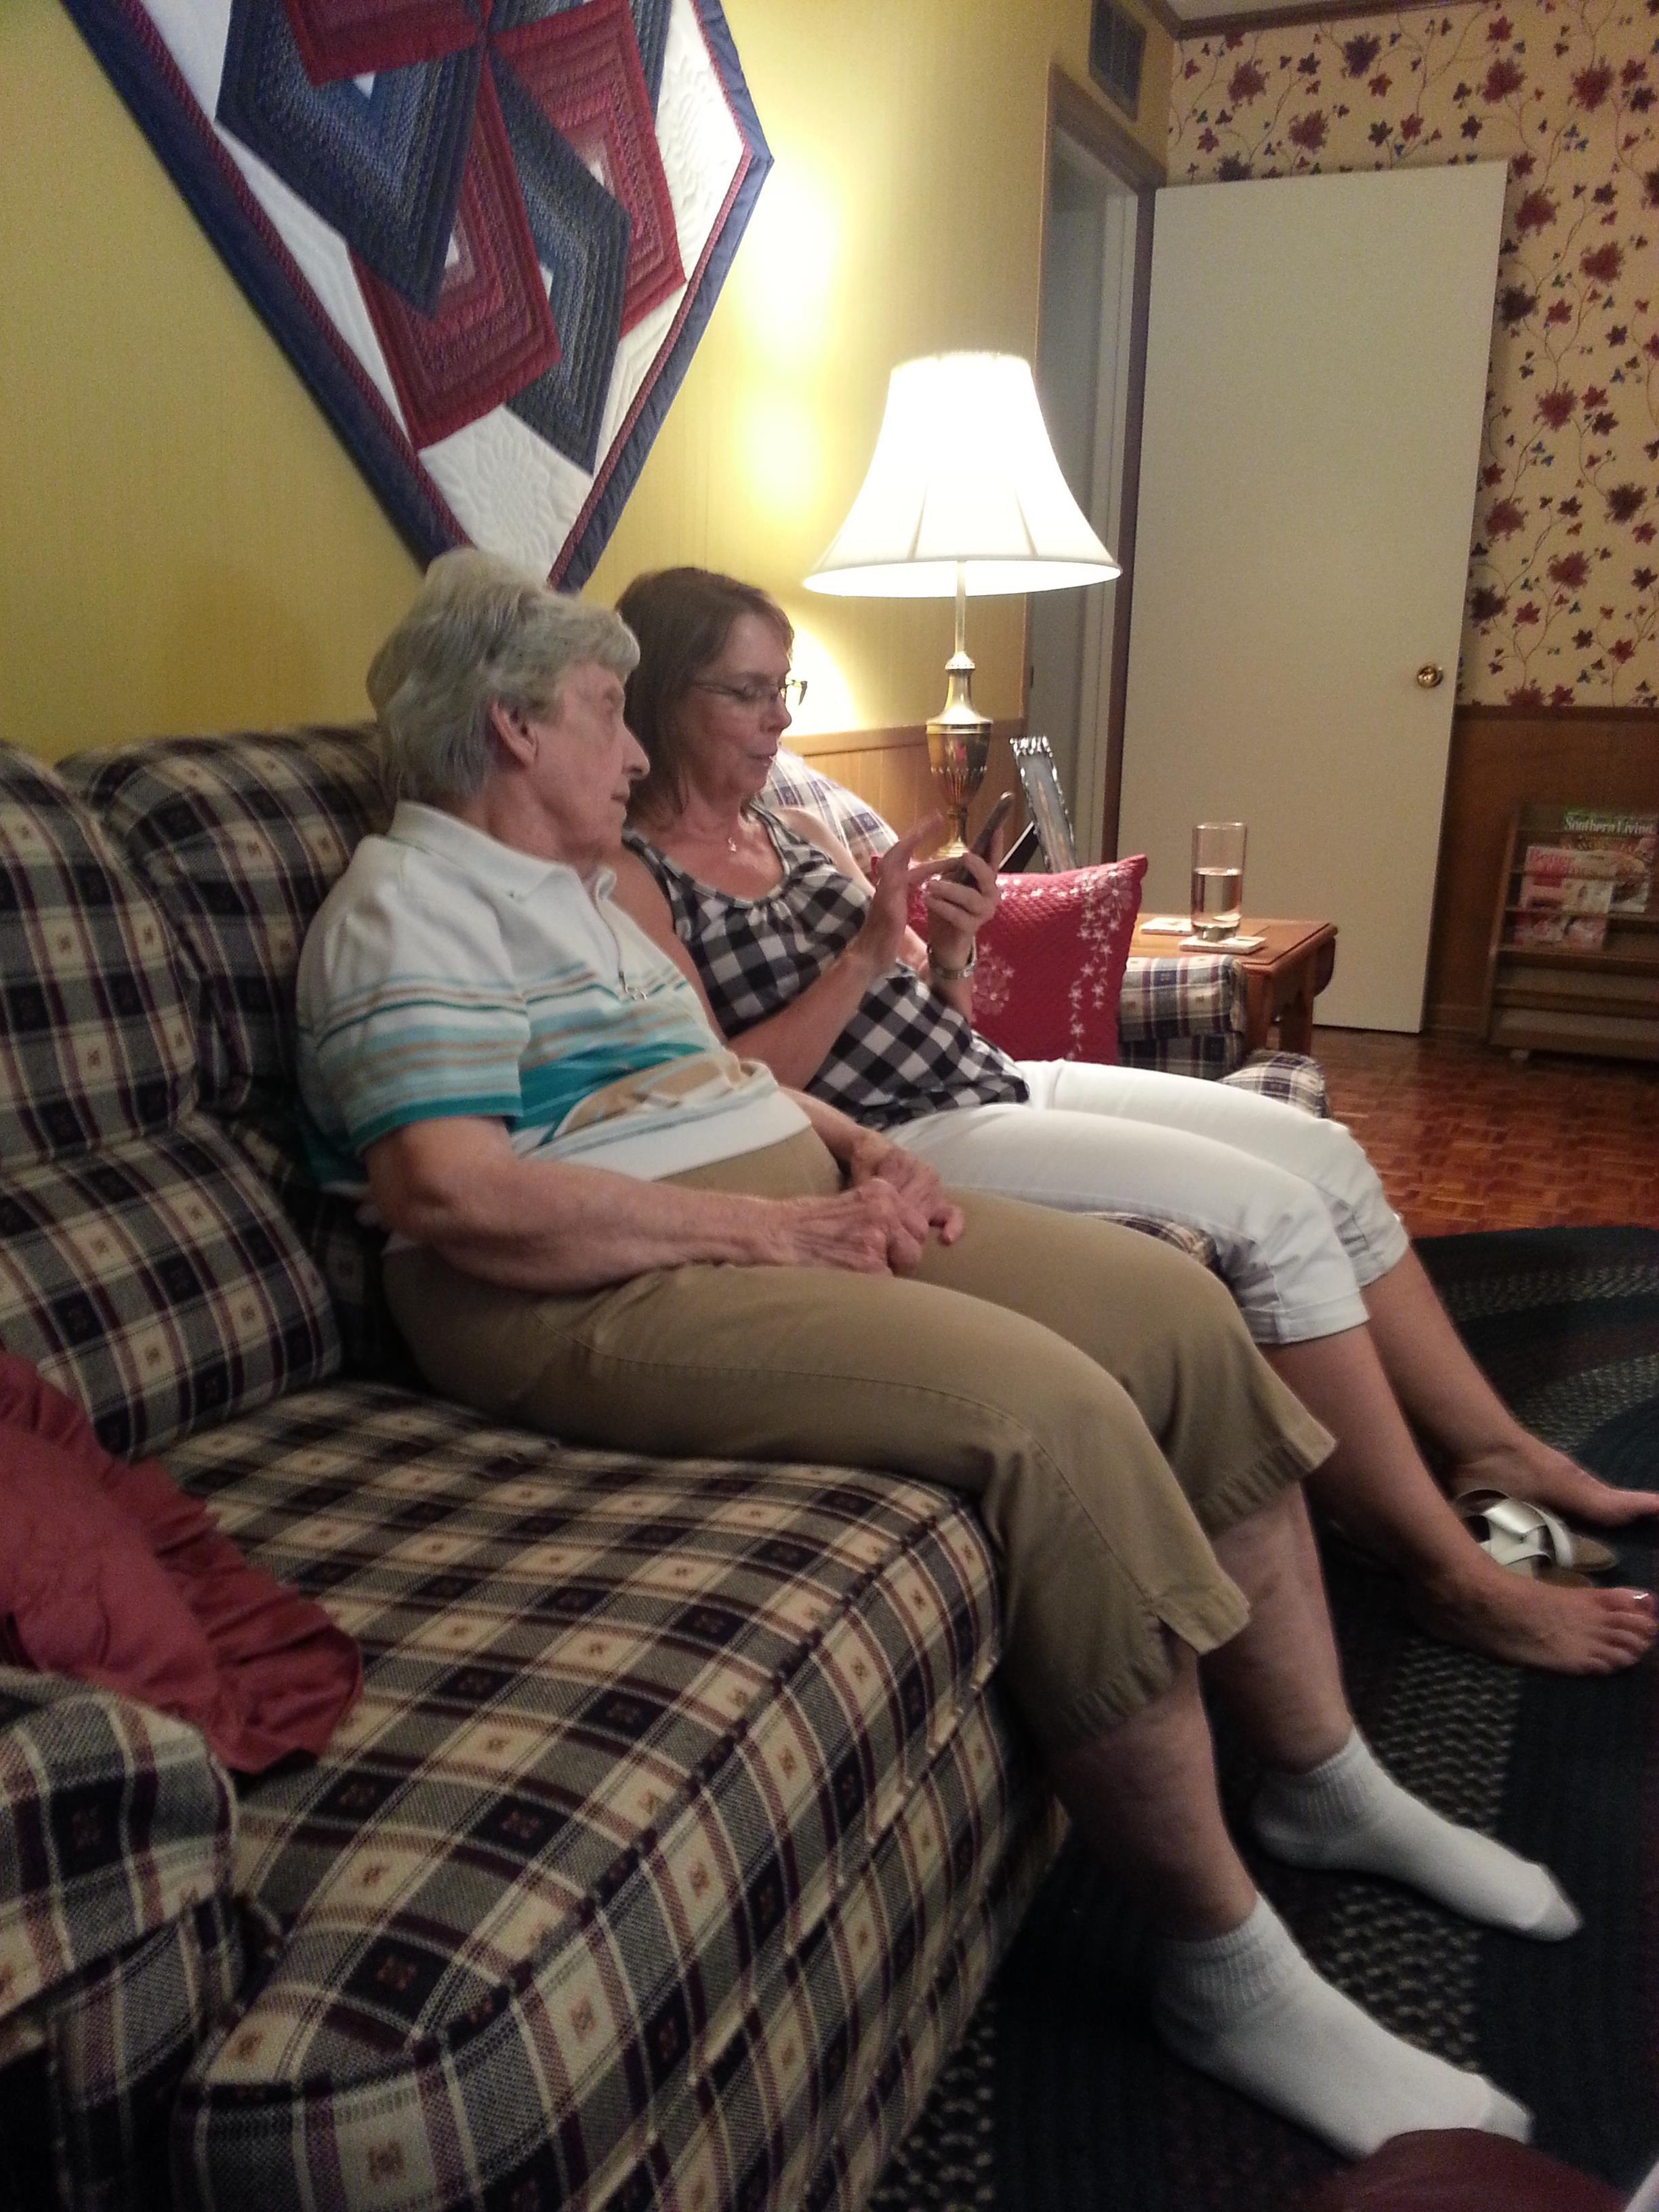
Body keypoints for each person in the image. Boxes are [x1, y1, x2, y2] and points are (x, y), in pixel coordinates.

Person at [300, 549, 1582, 2160]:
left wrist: (859, 1153)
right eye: (606, 714)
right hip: (574, 1291)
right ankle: (1223, 1966)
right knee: (1055, 1416)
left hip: (758, 1207)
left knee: (1176, 1316)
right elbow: (450, 1191)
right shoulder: (408, 904)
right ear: (505, 728)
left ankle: (1321, 1772)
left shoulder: (573, 894)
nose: (630, 755)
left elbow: (721, 1082)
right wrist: (775, 1232)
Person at [609, 565, 1659, 1679]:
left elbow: (932, 1001)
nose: (778, 720)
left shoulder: (785, 822)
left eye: (788, 690)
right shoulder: (633, 878)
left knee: (1326, 1158)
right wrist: (870, 950)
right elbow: (731, 1085)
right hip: (897, 1135)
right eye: (748, 693)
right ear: (664, 696)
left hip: (986, 1073)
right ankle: (1448, 1572)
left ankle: (1494, 1448)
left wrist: (949, 950)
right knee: (1276, 1213)